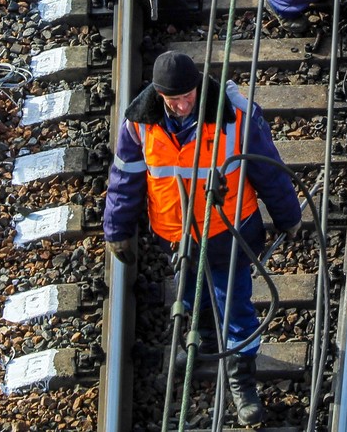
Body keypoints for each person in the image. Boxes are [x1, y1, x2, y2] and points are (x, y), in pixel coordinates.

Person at [104, 52, 305, 426]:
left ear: (198, 86)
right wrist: (117, 231)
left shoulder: (236, 116)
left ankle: (241, 379)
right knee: (190, 293)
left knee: (235, 306)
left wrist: (288, 216)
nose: (180, 106)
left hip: (228, 232)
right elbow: (125, 179)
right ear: (158, 94)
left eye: (186, 96)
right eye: (172, 99)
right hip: (176, 235)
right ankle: (203, 343)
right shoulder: (139, 124)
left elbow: (267, 170)